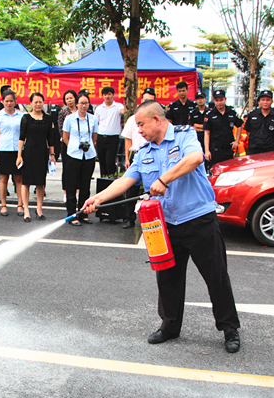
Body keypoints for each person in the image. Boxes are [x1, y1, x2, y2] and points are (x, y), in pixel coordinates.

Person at [84, 100, 242, 353]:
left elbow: (195, 158)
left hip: (198, 219)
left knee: (216, 277)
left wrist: (164, 179)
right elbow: (126, 180)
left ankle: (229, 328)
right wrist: (98, 198)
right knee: (168, 279)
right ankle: (170, 326)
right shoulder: (143, 151)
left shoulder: (184, 135)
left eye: (141, 124)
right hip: (166, 225)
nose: (139, 130)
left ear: (157, 120)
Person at [120, 87, 157, 229]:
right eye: (145, 100)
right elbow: (128, 140)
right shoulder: (132, 119)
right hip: (136, 155)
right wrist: (127, 159)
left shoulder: (156, 120)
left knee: (152, 189)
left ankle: (153, 218)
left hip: (152, 155)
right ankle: (129, 218)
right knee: (131, 188)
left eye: (150, 101)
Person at [18, 92, 56, 221]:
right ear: (31, 103)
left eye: (40, 102)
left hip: (42, 152)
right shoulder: (26, 118)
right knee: (26, 182)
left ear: (43, 103)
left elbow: (50, 139)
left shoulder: (48, 118)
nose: (38, 104)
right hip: (28, 152)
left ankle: (39, 209)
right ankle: (26, 210)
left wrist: (52, 154)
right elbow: (21, 138)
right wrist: (19, 155)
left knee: (41, 182)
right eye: (35, 102)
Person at [62, 92, 98, 226]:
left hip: (89, 155)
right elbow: (65, 137)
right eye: (81, 103)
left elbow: (94, 137)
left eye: (86, 103)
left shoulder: (93, 119)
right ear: (77, 104)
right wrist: (73, 147)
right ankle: (72, 214)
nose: (84, 106)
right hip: (73, 155)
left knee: (85, 186)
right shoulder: (69, 119)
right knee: (71, 185)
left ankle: (83, 213)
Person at [0, 89, 24, 217]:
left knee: (19, 179)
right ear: (2, 101)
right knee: (3, 179)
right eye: (6, 101)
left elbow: (23, 135)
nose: (9, 103)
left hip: (18, 151)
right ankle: (3, 205)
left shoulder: (21, 116)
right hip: (3, 150)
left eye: (11, 101)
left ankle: (20, 204)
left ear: (15, 102)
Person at [203, 89, 243, 168]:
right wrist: (207, 151)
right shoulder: (210, 114)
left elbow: (239, 125)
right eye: (217, 100)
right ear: (214, 100)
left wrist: (237, 141)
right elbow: (207, 133)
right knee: (215, 170)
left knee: (229, 170)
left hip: (228, 148)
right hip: (215, 149)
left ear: (225, 99)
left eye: (221, 100)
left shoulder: (231, 112)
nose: (219, 102)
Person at [94, 86, 125, 177]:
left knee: (110, 161)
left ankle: (111, 179)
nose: (107, 96)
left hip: (113, 138)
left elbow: (123, 111)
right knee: (102, 161)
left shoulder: (118, 106)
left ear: (113, 95)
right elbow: (95, 123)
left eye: (109, 94)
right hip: (101, 137)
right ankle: (103, 179)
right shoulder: (99, 108)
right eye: (105, 94)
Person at [244, 90, 274, 155]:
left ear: (271, 101)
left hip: (269, 150)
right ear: (259, 101)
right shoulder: (252, 115)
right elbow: (248, 132)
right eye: (263, 100)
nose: (265, 102)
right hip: (253, 149)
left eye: (268, 100)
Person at [58, 90, 79, 202]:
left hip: (79, 145)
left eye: (71, 98)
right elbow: (61, 130)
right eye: (67, 99)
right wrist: (69, 144)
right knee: (66, 169)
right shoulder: (63, 112)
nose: (69, 100)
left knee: (78, 169)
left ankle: (77, 191)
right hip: (67, 144)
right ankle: (66, 192)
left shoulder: (81, 111)